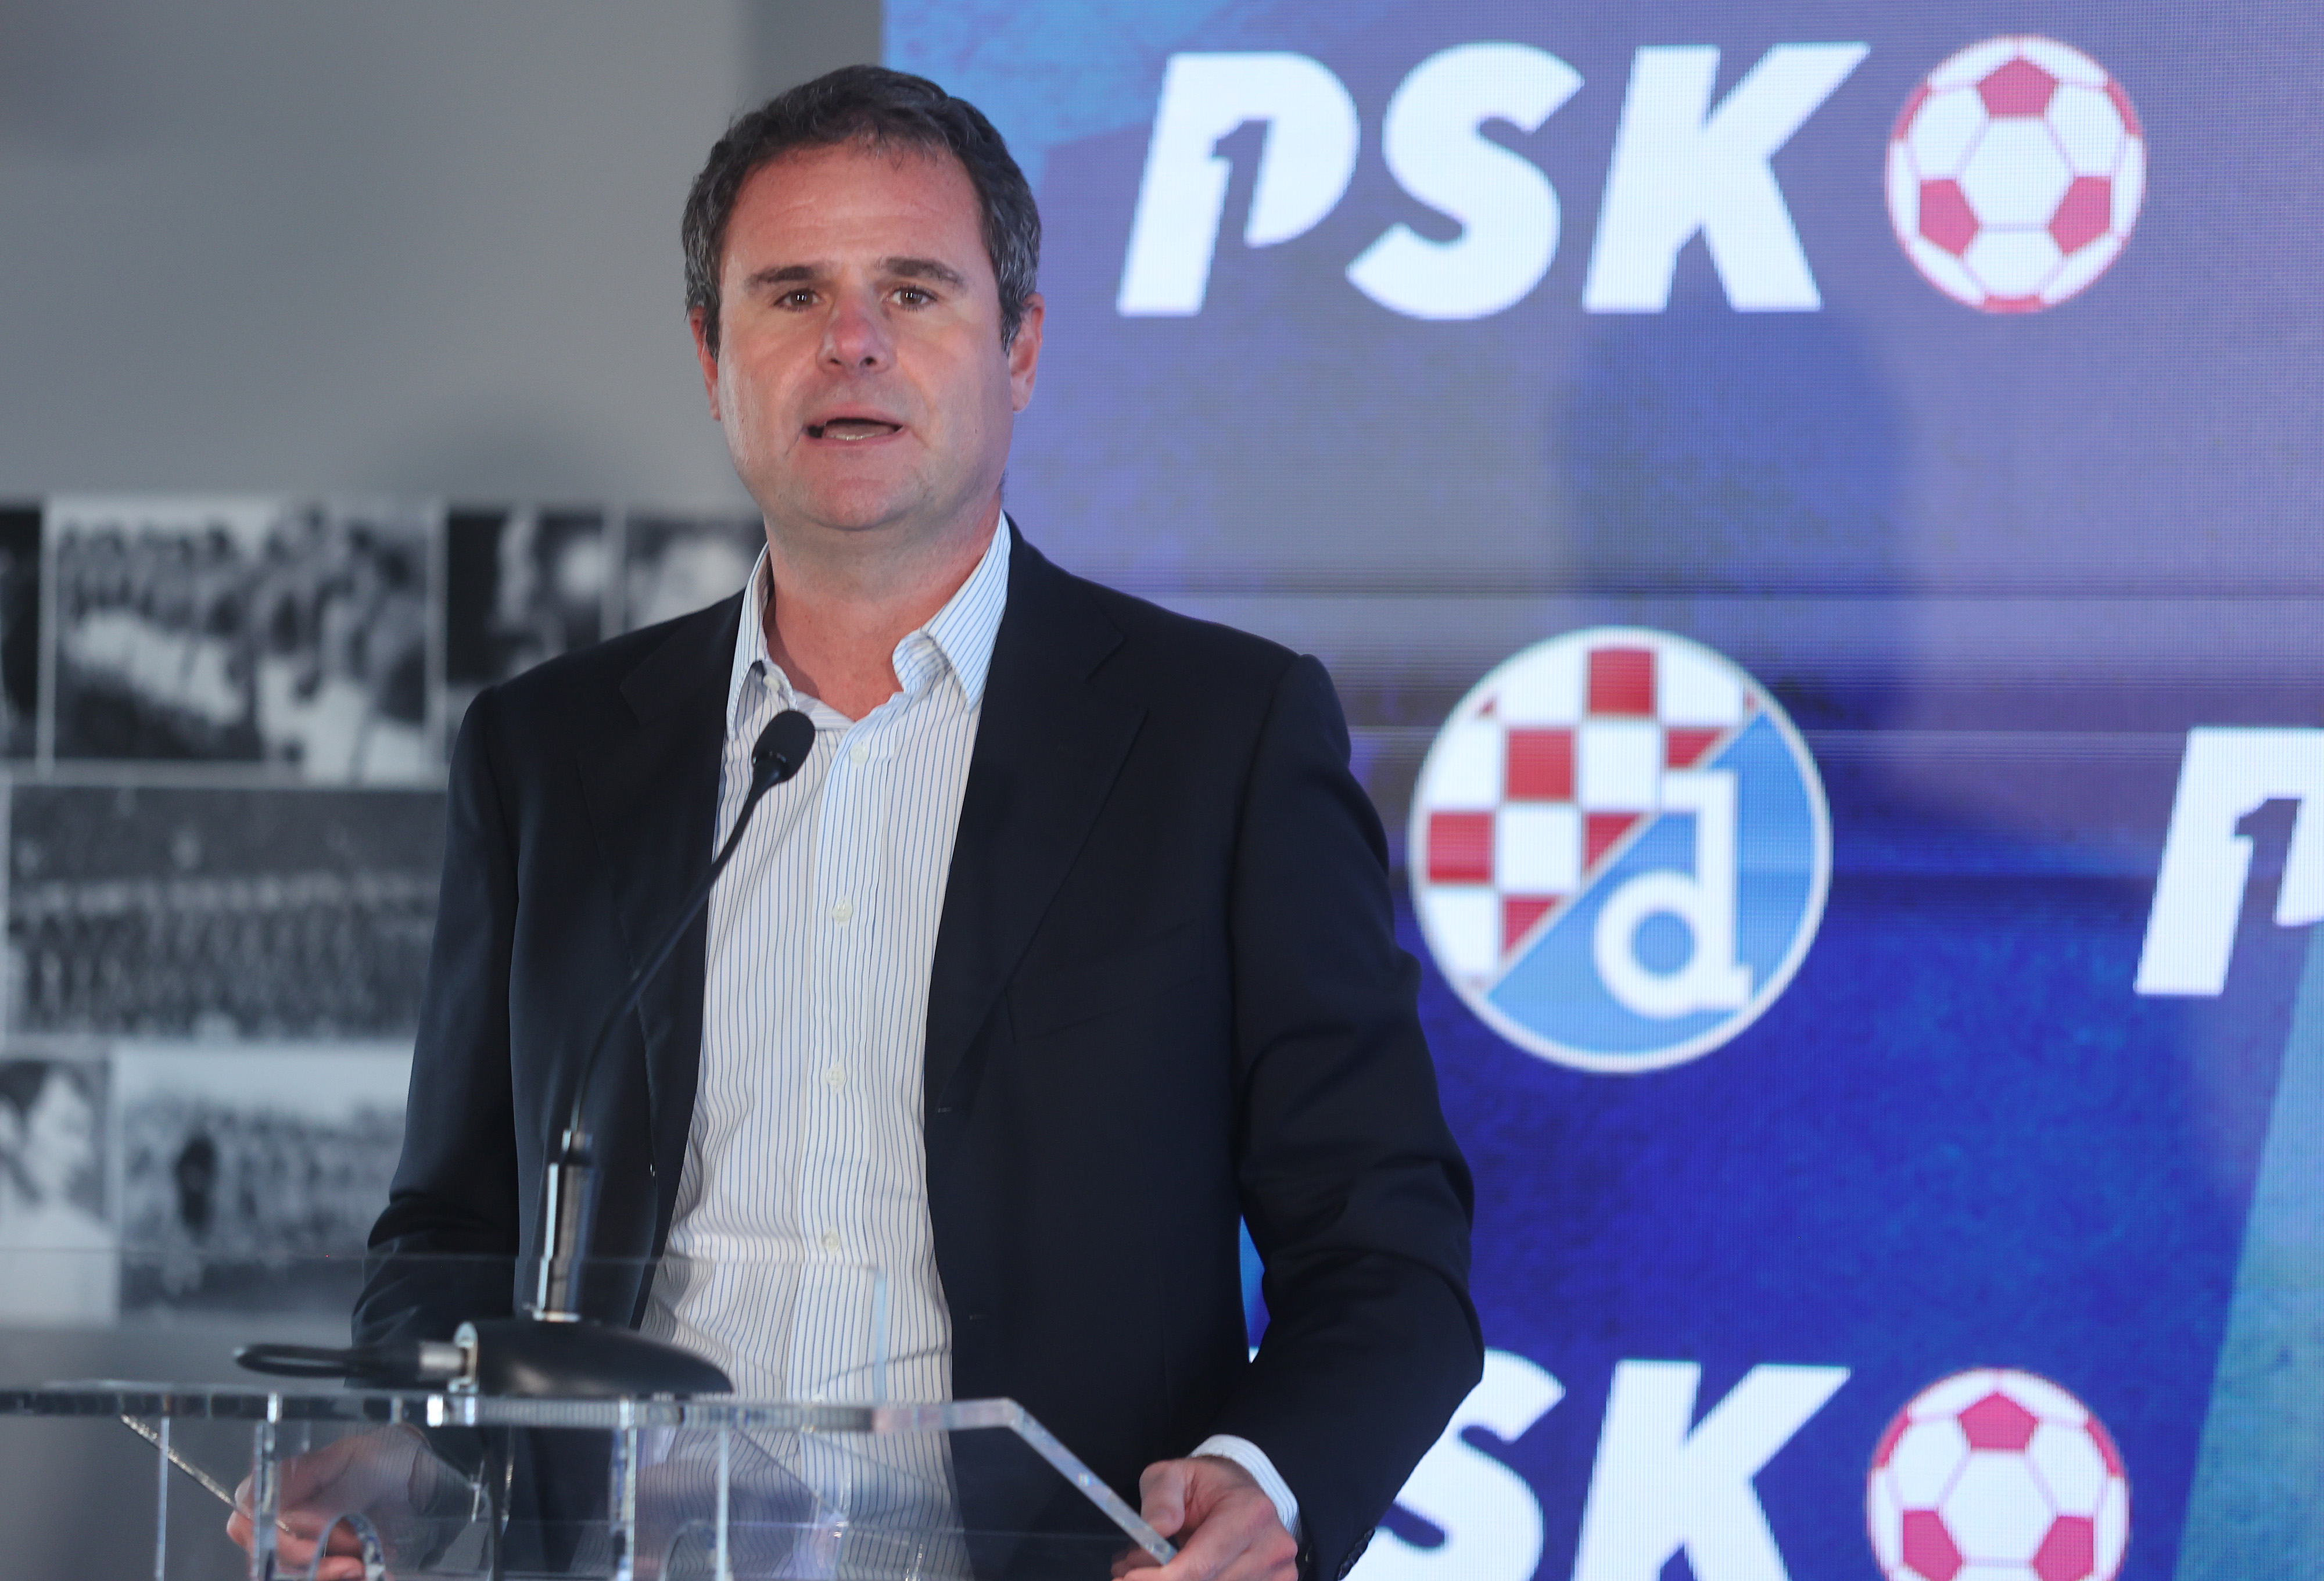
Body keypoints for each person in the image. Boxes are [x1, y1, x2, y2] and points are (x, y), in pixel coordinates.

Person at [241, 64, 1479, 1581]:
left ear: (1021, 347)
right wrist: (412, 1448)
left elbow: (1384, 1249)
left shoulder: (1222, 736)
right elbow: (453, 1226)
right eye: (792, 295)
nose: (853, 343)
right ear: (712, 357)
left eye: (912, 289)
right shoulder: (548, 753)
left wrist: (1266, 1479)